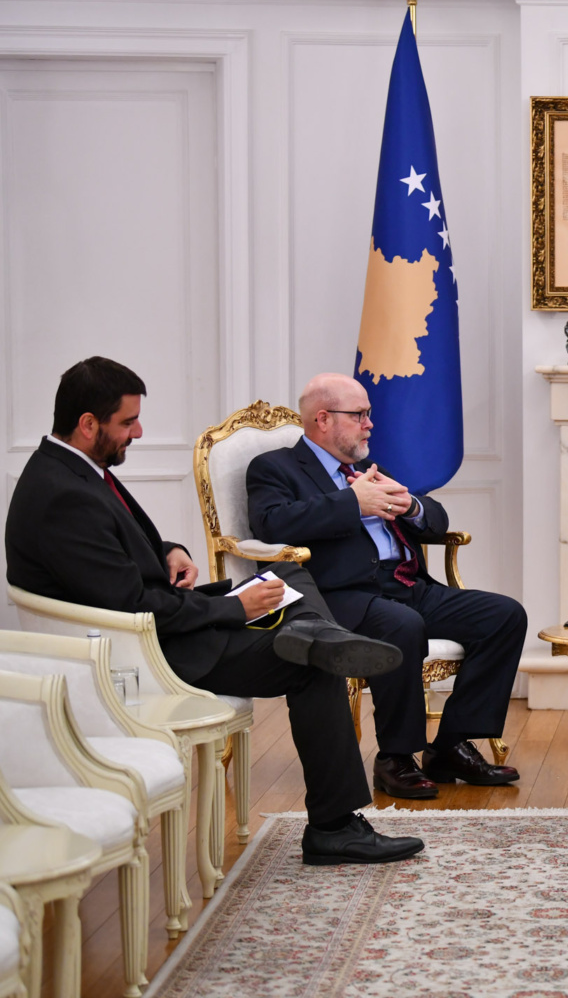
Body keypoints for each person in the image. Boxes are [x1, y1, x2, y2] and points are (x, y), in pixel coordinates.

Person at [5, 357, 423, 865]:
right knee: (314, 663)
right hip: (142, 652)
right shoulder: (62, 494)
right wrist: (232, 608)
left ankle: (316, 630)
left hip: (151, 623)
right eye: (128, 422)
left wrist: (167, 551)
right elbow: (133, 605)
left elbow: (109, 552)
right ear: (88, 423)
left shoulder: (72, 471)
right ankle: (333, 828)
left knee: (284, 572)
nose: (138, 432)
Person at [245, 372, 526, 799]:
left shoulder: (367, 468)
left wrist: (411, 506)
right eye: (359, 415)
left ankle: (451, 746)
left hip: (408, 586)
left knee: (504, 616)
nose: (370, 424)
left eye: (368, 414)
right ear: (323, 419)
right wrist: (351, 503)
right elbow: (272, 524)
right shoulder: (274, 468)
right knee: (402, 625)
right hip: (340, 595)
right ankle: (396, 757)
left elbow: (436, 519)